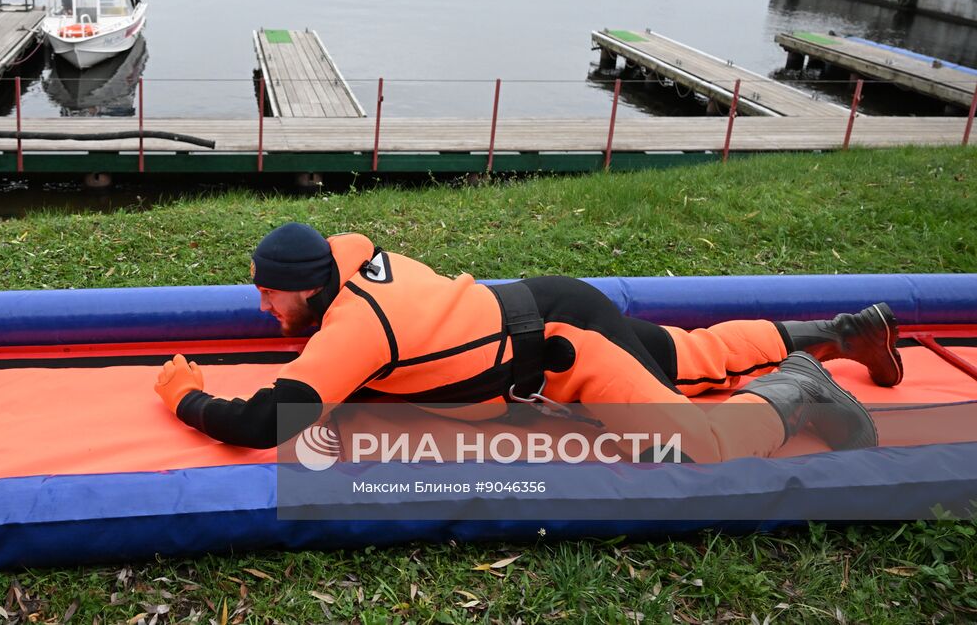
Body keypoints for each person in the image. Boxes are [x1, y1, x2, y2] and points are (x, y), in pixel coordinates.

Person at [154, 223, 901, 462]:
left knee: (695, 444)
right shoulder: (351, 261)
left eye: (269, 292)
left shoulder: (354, 327)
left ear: (308, 286)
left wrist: (185, 397)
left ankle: (800, 383)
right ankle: (840, 333)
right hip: (547, 305)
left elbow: (264, 423)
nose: (261, 304)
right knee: (689, 356)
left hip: (563, 343)